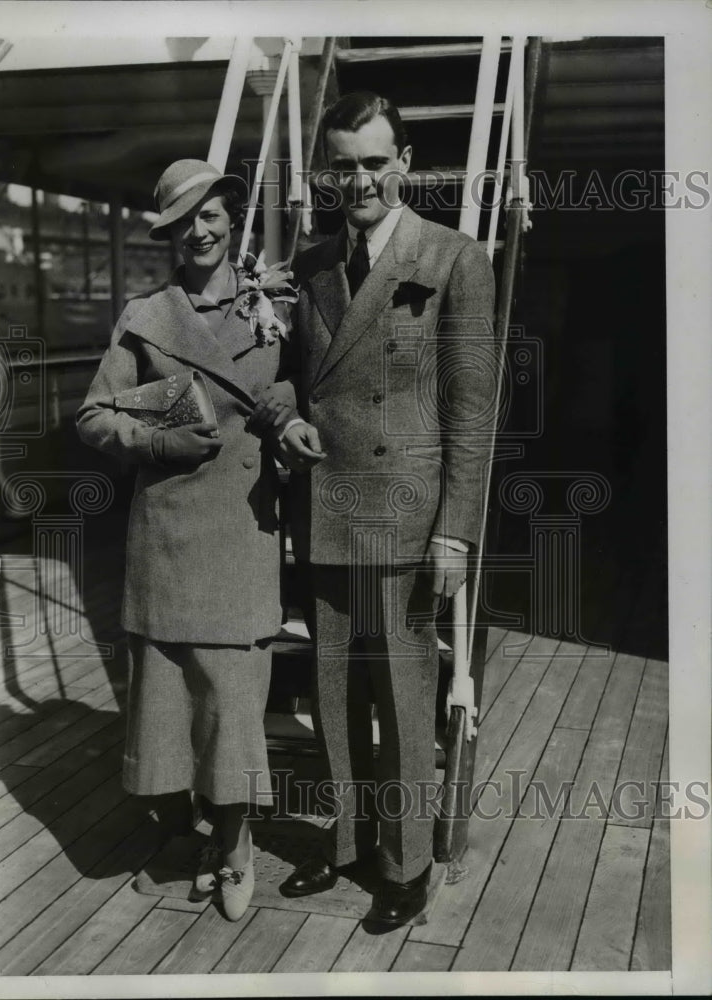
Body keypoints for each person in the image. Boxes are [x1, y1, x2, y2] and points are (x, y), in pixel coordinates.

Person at [275, 91, 497, 925]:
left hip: (408, 517)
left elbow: (472, 412)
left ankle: (404, 867)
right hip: (327, 505)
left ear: (404, 161)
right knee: (333, 695)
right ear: (325, 171)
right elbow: (293, 375)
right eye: (343, 164)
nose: (359, 179)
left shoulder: (453, 257)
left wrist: (455, 531)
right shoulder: (309, 265)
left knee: (405, 701)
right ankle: (344, 847)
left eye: (375, 162)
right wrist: (284, 414)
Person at [76, 158, 296, 921]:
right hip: (166, 531)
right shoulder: (146, 317)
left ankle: (233, 848)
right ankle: (181, 836)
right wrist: (160, 445)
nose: (198, 231)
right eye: (181, 222)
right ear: (168, 233)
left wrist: (292, 416)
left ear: (233, 216)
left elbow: (300, 386)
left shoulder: (276, 304)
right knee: (168, 700)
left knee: (231, 700)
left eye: (211, 214)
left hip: (240, 528)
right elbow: (95, 416)